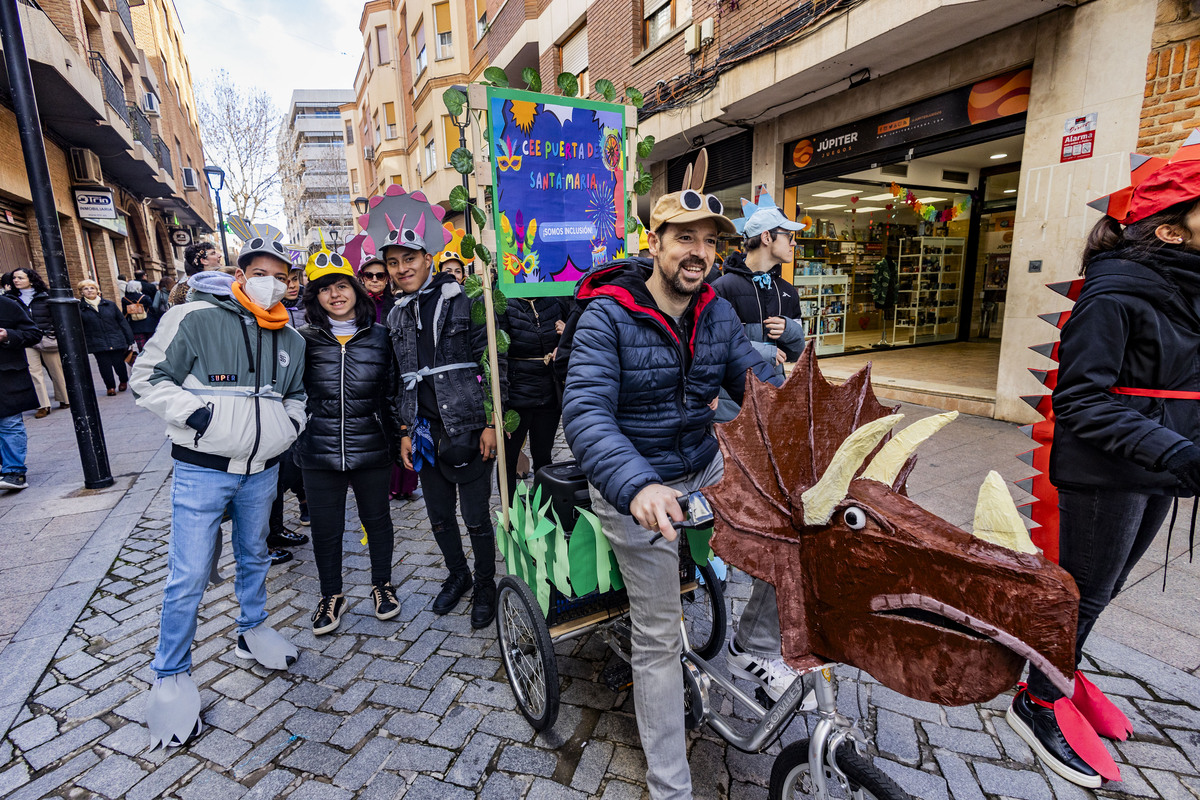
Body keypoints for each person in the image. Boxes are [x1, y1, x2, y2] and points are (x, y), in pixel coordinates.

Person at [561, 154, 781, 800]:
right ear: (653, 243)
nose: (699, 253)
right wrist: (638, 487)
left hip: (702, 467)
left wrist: (810, 440)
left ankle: (753, 643)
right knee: (658, 635)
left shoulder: (713, 310)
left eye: (710, 243)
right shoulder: (608, 314)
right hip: (636, 482)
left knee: (788, 530)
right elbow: (587, 414)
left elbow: (756, 384)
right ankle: (669, 787)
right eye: (685, 238)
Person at [1009, 130, 1200, 788]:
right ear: (1171, 231)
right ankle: (1036, 702)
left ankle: (1069, 677)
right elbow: (1083, 402)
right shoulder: (1115, 294)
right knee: (1081, 596)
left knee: (1104, 590)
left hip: (1155, 471)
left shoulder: (1184, 293)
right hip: (1105, 473)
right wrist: (1178, 449)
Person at [130, 231, 307, 749]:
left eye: (280, 276)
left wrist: (288, 427)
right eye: (261, 272)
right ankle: (170, 674)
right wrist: (201, 416)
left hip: (262, 468)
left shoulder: (291, 337)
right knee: (187, 573)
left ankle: (252, 631)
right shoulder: (193, 316)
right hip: (202, 467)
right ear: (241, 272)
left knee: (254, 553)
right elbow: (147, 377)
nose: (270, 283)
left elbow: (294, 394)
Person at [384, 211, 505, 629]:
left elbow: (492, 360)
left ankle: (487, 583)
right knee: (438, 516)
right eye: (393, 263)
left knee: (475, 517)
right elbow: (401, 378)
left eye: (409, 259)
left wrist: (491, 421)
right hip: (424, 431)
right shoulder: (396, 315)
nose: (402, 269)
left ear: (428, 256)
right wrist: (404, 430)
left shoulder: (465, 297)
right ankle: (460, 575)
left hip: (469, 424)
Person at [295, 245, 400, 634]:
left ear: (356, 289)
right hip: (318, 448)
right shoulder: (302, 339)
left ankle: (382, 584)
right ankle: (331, 594)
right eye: (324, 289)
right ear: (315, 298)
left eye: (341, 285)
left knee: (377, 520)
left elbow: (392, 392)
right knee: (325, 527)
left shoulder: (381, 337)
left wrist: (400, 434)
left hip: (372, 444)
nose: (335, 295)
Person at [500, 294, 569, 501]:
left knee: (543, 456)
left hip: (548, 394)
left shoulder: (556, 302)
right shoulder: (504, 305)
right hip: (515, 395)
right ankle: (510, 514)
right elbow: (497, 352)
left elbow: (570, 340)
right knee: (508, 459)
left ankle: (544, 512)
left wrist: (564, 341)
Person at [4, 268, 67, 417]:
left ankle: (65, 398)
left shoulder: (45, 295)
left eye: (20, 278)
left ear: (31, 279)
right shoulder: (10, 298)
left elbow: (56, 316)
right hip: (25, 339)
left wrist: (55, 332)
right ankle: (43, 405)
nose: (16, 281)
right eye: (14, 278)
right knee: (34, 372)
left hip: (47, 337)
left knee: (56, 370)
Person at [0, 292, 43, 490]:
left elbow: (34, 334)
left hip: (7, 376)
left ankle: (14, 472)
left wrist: (8, 335)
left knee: (9, 423)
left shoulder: (7, 305)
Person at [77, 279, 134, 396]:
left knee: (119, 364)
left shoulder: (110, 305)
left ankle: (123, 381)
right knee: (104, 366)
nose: (89, 291)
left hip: (115, 338)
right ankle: (110, 387)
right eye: (85, 289)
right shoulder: (79, 308)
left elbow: (122, 322)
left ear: (97, 290)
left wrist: (129, 338)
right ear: (81, 292)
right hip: (96, 341)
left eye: (92, 288)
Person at [170, 241, 222, 306]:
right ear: (204, 261)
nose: (220, 255)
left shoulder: (205, 282)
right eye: (213, 253)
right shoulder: (193, 287)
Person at [123, 277, 158, 353]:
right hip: (148, 323)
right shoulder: (145, 297)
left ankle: (144, 358)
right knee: (151, 343)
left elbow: (125, 312)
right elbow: (152, 309)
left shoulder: (125, 299)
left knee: (141, 346)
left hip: (135, 324)